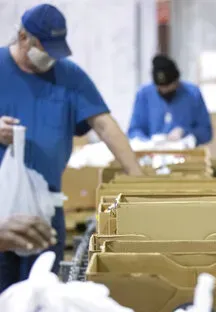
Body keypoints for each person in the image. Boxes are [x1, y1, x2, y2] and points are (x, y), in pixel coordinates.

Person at [0, 4, 143, 292]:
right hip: (2, 209)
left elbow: (104, 124)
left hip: (46, 206)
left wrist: (138, 178)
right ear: (23, 36)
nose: (50, 58)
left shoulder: (69, 75)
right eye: (44, 47)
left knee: (40, 299)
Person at [128, 54, 213, 145]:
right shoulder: (144, 94)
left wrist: (185, 132)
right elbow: (133, 131)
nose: (164, 91)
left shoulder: (193, 94)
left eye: (168, 88)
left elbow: (206, 132)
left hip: (184, 155)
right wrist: (148, 142)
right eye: (160, 89)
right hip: (151, 154)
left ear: (177, 81)